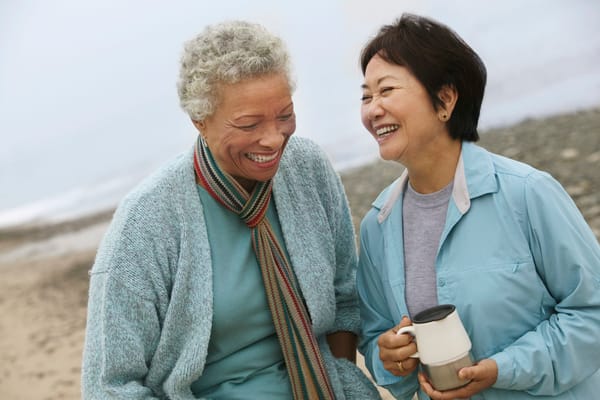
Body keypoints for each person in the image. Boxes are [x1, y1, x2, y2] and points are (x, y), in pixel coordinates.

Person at [81, 20, 380, 399]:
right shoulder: (145, 223)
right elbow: (108, 387)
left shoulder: (308, 169)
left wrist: (337, 379)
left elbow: (344, 299)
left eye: (284, 115)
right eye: (249, 123)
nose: (273, 139)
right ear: (200, 122)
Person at [356, 13, 600, 400]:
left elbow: (592, 314)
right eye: (366, 96)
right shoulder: (377, 226)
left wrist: (504, 368)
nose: (372, 109)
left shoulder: (528, 193)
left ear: (445, 100)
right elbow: (375, 340)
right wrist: (390, 357)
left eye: (387, 90)